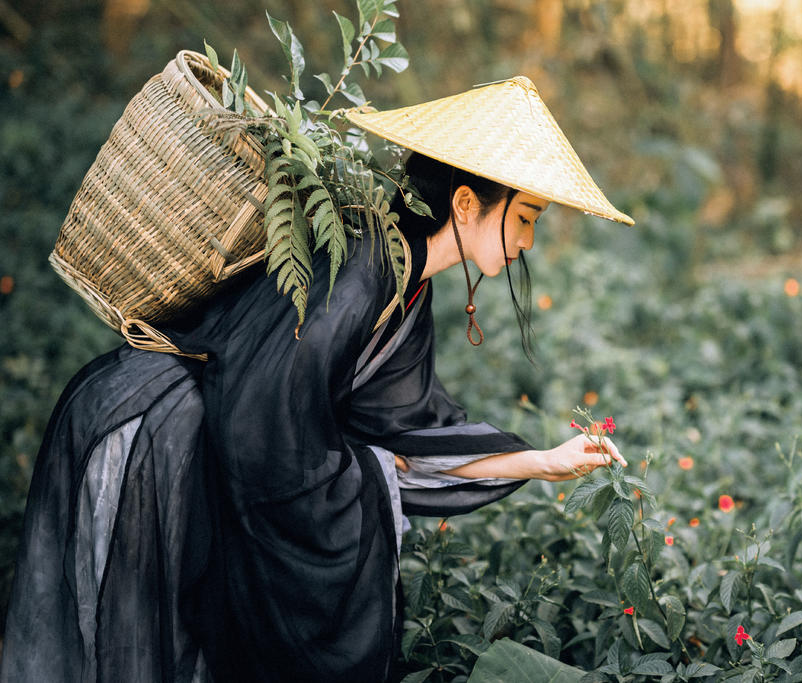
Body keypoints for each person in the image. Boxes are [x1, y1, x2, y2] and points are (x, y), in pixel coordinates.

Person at [0, 76, 634, 682]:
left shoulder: (406, 286)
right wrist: (367, 473)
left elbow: (415, 440)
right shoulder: (363, 264)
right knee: (126, 650)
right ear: (466, 204)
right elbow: (264, 428)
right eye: (524, 216)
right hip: (153, 438)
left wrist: (545, 461)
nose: (527, 240)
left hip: (192, 444)